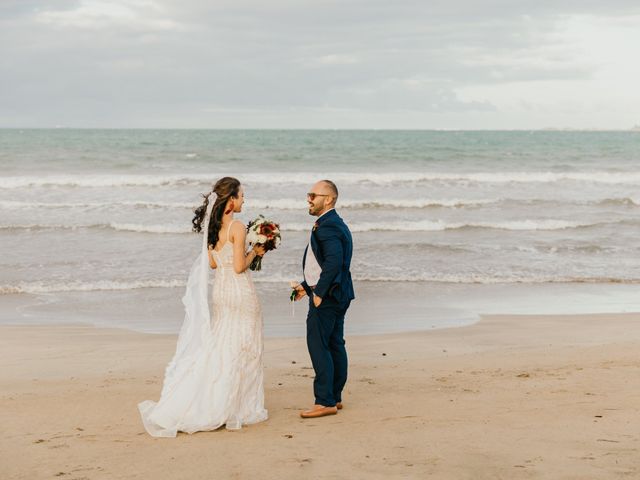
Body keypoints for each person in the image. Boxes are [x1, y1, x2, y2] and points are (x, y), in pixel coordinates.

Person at [138, 177, 268, 436]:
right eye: (241, 196)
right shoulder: (238, 227)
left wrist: (240, 255)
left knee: (223, 344)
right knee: (245, 345)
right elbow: (241, 267)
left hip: (220, 292)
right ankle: (239, 407)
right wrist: (257, 251)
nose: (244, 200)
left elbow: (212, 264)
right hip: (240, 292)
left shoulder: (213, 228)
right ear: (231, 199)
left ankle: (211, 398)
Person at [293, 180, 355, 418]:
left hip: (327, 296)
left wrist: (318, 293)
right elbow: (322, 265)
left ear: (328, 199)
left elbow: (334, 263)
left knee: (319, 345)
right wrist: (306, 287)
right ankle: (335, 397)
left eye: (313, 195)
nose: (308, 199)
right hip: (339, 293)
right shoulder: (335, 222)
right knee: (335, 343)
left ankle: (325, 401)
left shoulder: (327, 226)